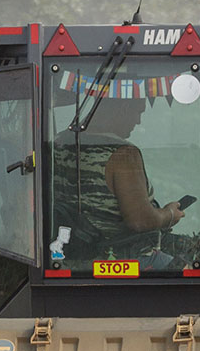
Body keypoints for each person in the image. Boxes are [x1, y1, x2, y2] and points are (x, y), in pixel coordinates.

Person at [54, 96, 185, 255]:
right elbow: (140, 221)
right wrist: (169, 215)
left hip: (69, 247)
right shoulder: (123, 154)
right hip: (117, 252)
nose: (138, 121)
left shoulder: (59, 141)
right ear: (124, 108)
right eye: (138, 112)